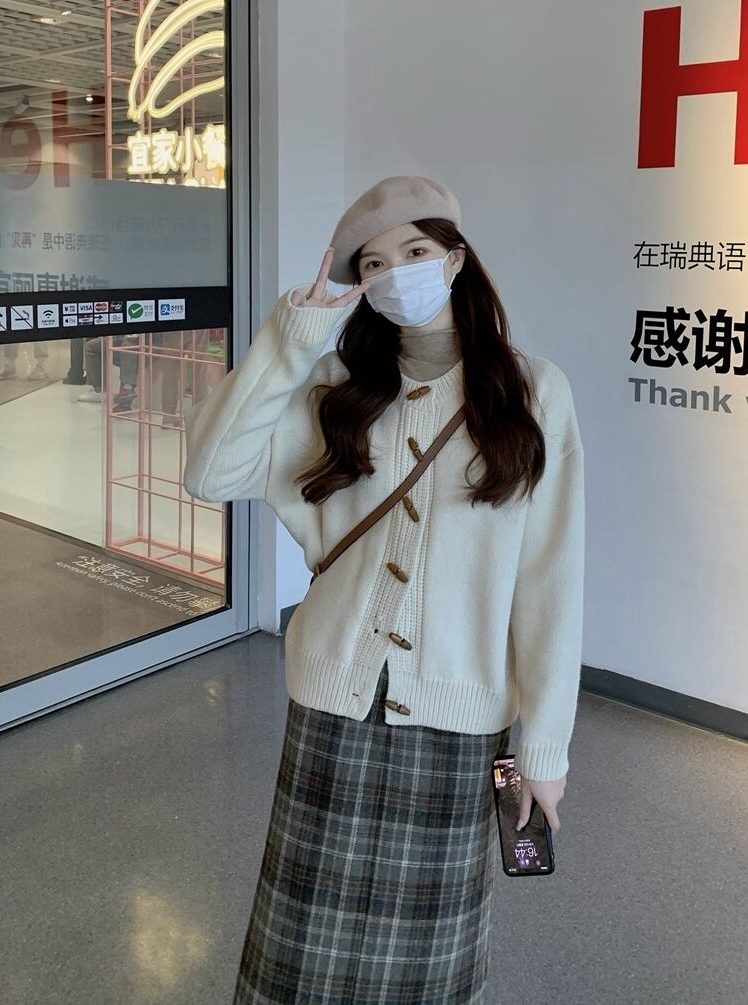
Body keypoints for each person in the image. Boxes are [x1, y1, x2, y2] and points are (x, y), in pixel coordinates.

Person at [184, 176, 585, 1003]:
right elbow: (209, 472)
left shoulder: (533, 392)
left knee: (426, 969)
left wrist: (544, 750)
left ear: (456, 259)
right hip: (335, 710)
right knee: (302, 959)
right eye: (373, 262)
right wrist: (290, 342)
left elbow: (551, 579)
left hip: (457, 720)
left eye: (416, 250)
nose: (396, 272)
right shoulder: (335, 387)